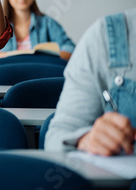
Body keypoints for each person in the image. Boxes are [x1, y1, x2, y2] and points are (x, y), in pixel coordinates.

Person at [45, 8, 136, 156]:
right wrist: (86, 139)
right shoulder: (106, 35)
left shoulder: (47, 22)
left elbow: (68, 47)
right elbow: (57, 136)